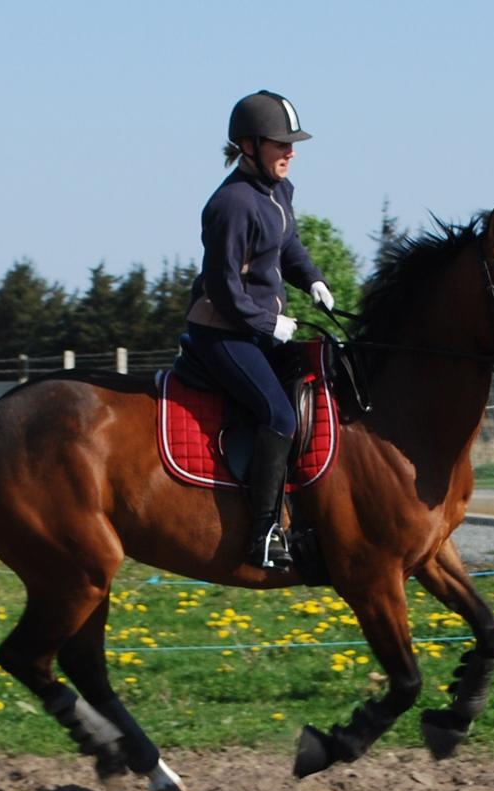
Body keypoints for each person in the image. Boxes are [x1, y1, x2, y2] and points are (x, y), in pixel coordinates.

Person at [184, 89, 334, 570]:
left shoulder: (277, 191)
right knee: (279, 415)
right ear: (249, 146)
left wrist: (312, 280)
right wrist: (270, 322)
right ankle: (263, 533)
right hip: (222, 331)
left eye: (292, 144)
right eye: (279, 143)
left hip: (257, 327)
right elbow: (224, 289)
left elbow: (287, 246)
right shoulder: (231, 204)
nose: (290, 151)